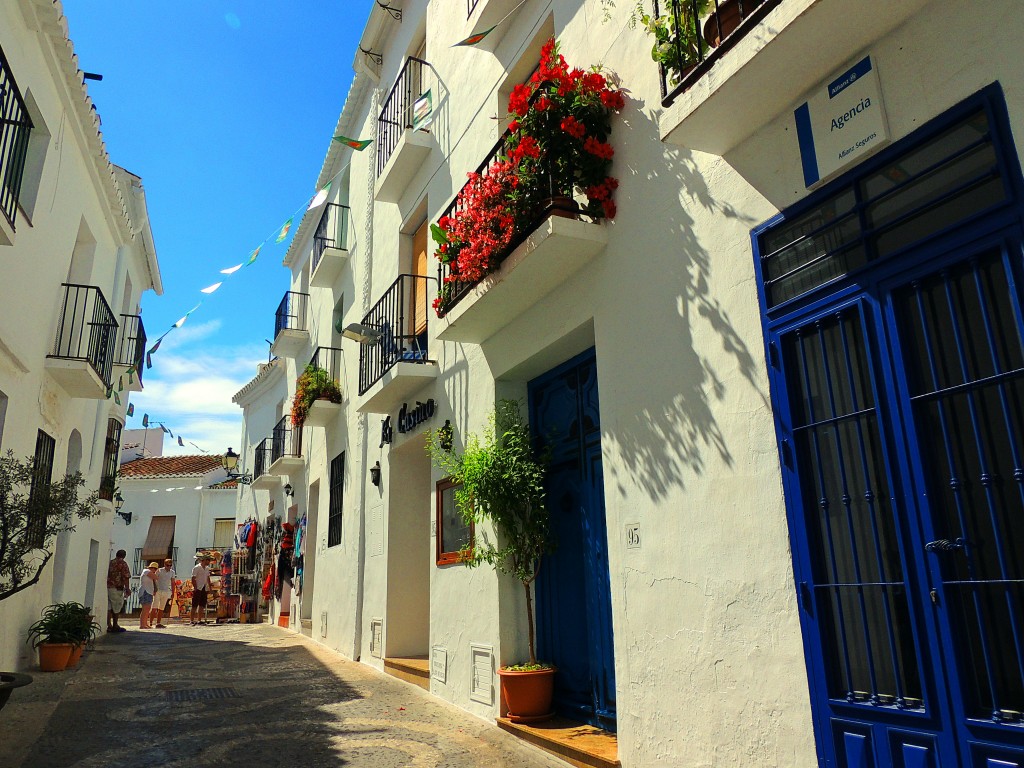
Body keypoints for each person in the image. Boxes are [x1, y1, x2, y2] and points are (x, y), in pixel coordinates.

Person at [106, 550, 131, 633]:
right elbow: (126, 577)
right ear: (124, 556)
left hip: (108, 587)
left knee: (109, 607)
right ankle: (115, 625)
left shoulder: (110, 562)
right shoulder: (123, 564)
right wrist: (127, 588)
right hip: (117, 588)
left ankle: (108, 625)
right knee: (116, 607)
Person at [152, 558, 177, 628]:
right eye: (167, 565)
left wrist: (173, 592)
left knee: (161, 608)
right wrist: (154, 589)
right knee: (154, 607)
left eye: (170, 565)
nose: (169, 567)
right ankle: (150, 622)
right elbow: (154, 579)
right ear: (164, 565)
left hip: (166, 591)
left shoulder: (172, 572)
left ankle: (158, 623)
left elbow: (172, 582)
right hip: (158, 590)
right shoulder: (159, 570)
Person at [190, 555, 213, 625]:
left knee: (202, 604)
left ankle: (199, 620)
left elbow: (208, 578)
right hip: (198, 587)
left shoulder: (207, 568)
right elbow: (193, 578)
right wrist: (195, 587)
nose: (209, 562)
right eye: (208, 560)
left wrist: (210, 587)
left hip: (204, 587)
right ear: (204, 560)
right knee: (194, 605)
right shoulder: (197, 568)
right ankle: (191, 620)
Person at [139, 562, 158, 629]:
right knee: (145, 608)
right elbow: (156, 577)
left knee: (148, 609)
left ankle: (145, 623)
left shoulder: (150, 573)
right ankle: (142, 625)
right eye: (153, 568)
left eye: (155, 569)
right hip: (145, 592)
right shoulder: (146, 571)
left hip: (149, 592)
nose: (154, 570)